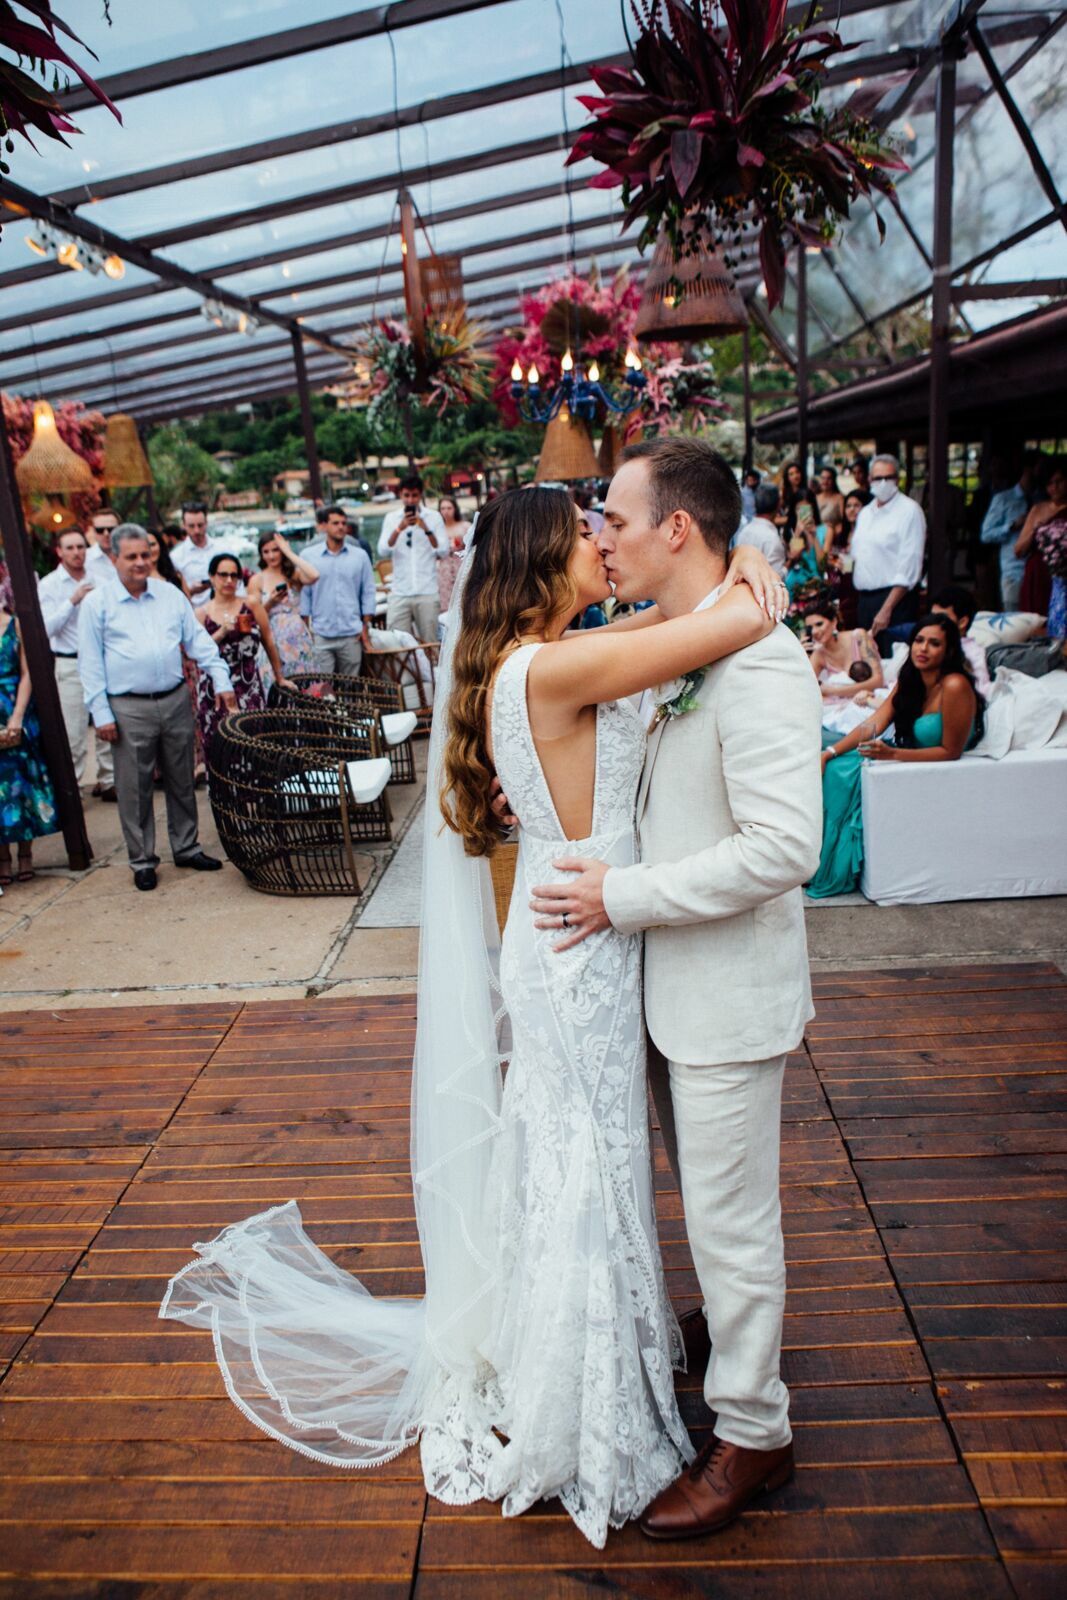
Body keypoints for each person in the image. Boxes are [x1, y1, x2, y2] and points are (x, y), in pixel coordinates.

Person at [159, 450, 804, 1550]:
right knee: (585, 1168)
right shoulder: (565, 666)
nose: (601, 537)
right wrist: (752, 578)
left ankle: (736, 1418)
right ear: (543, 564)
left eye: (613, 520)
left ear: (671, 532)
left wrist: (745, 564)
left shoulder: (580, 657)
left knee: (620, 1176)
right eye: (584, 529)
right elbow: (711, 634)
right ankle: (612, 1371)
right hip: (587, 945)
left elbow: (752, 803)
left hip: (623, 947)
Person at [78, 525, 234, 892]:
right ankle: (143, 860)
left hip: (175, 697)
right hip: (127, 706)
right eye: (131, 557)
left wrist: (222, 681)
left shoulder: (170, 595)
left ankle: (186, 846)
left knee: (182, 778)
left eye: (145, 555)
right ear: (114, 558)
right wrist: (101, 713)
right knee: (134, 788)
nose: (140, 563)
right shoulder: (97, 603)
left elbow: (198, 643)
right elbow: (90, 663)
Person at [807, 613, 982, 899]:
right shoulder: (910, 679)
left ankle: (835, 870)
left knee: (845, 774)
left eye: (934, 643)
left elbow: (951, 751)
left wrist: (892, 754)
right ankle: (823, 863)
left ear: (949, 650)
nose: (922, 649)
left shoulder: (955, 685)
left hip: (930, 758)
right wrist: (829, 751)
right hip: (906, 751)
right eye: (919, 641)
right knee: (837, 768)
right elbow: (874, 723)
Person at [196, 553, 291, 757]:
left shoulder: (252, 605)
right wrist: (221, 632)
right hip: (214, 689)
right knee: (219, 748)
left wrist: (279, 677)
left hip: (248, 683)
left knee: (254, 744)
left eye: (234, 575)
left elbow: (269, 641)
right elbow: (196, 652)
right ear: (212, 577)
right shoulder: (201, 613)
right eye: (223, 575)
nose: (229, 580)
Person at [0, 585, 58, 884]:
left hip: (15, 705)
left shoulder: (15, 624)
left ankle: (25, 853)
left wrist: (17, 715)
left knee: (23, 783)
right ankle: (2, 857)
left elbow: (27, 673)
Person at [851, 453, 926, 652]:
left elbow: (909, 566)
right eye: (878, 478)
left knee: (893, 664)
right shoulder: (866, 513)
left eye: (888, 477)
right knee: (867, 663)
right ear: (869, 479)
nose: (883, 483)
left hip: (894, 602)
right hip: (865, 600)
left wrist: (886, 609)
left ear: (897, 479)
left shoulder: (909, 511)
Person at [37, 528, 93, 784]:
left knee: (111, 726)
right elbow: (46, 629)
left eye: (80, 547)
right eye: (70, 548)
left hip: (102, 660)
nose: (76, 553)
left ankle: (108, 781)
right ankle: (74, 786)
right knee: (73, 732)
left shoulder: (98, 577)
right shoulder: (49, 585)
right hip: (70, 662)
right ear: (59, 551)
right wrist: (73, 600)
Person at [299, 504, 377, 676]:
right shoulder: (308, 556)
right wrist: (306, 632)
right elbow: (305, 595)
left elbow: (368, 591)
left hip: (351, 632)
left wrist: (365, 626)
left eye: (343, 523)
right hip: (321, 633)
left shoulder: (360, 556)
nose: (341, 527)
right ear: (325, 526)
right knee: (324, 686)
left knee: (351, 685)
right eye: (335, 523)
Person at [378, 475, 448, 640]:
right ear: (400, 495)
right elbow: (382, 550)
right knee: (396, 641)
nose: (410, 500)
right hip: (400, 591)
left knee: (431, 643)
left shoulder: (433, 517)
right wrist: (398, 528)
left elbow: (443, 551)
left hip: (427, 591)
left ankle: (431, 667)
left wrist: (426, 528)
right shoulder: (391, 518)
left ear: (420, 495)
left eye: (414, 495)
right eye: (406, 495)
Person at [246, 531, 319, 680]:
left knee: (304, 681)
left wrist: (288, 552)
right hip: (271, 638)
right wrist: (270, 602)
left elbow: (314, 575)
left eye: (275, 550)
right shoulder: (257, 580)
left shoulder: (293, 575)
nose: (271, 556)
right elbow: (252, 617)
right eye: (266, 552)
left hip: (297, 636)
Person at [1016, 457, 1067, 629]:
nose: (1054, 487)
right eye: (1049, 483)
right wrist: (1037, 527)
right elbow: (1018, 550)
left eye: (1059, 481)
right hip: (1039, 573)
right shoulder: (1038, 509)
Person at [804, 598, 884, 705]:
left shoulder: (858, 636)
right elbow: (803, 687)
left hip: (872, 699)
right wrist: (799, 656)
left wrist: (833, 691)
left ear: (834, 622)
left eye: (819, 624)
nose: (814, 631)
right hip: (841, 706)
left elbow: (878, 681)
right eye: (810, 628)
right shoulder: (819, 654)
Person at [981, 456, 1035, 610]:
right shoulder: (1003, 499)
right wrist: (1012, 526)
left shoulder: (1041, 499)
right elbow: (986, 534)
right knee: (1013, 619)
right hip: (1014, 569)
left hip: (1039, 570)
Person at [930, 584, 991, 698]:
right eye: (932, 617)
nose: (934, 623)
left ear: (962, 622)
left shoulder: (974, 654)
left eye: (941, 618)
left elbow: (980, 691)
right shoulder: (924, 645)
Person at [170, 502, 222, 605]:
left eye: (200, 525)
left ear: (206, 523)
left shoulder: (222, 549)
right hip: (193, 612)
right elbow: (172, 596)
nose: (197, 530)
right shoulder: (175, 557)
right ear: (183, 525)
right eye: (191, 526)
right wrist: (191, 590)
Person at [733, 482, 786, 576]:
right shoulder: (772, 540)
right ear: (778, 505)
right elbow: (777, 579)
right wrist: (790, 562)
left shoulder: (744, 531)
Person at [435, 494, 469, 614]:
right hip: (444, 569)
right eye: (443, 508)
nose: (446, 511)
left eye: (449, 508)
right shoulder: (436, 529)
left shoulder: (465, 526)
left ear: (455, 509)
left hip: (462, 566)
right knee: (446, 603)